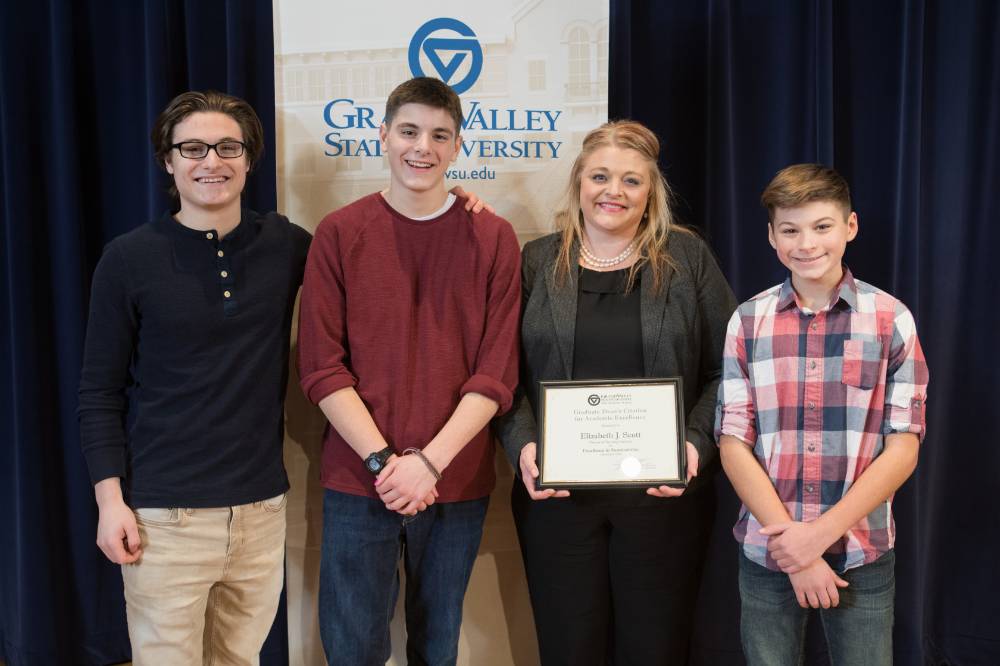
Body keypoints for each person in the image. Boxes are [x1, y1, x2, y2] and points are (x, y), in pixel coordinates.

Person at [77, 89, 490, 665]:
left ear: (249, 159)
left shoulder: (287, 245)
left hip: (260, 510)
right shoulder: (128, 259)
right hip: (163, 516)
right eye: (193, 149)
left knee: (240, 659)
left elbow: (395, 233)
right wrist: (109, 501)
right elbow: (99, 392)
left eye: (228, 147)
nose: (212, 161)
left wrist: (449, 201)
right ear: (168, 161)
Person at [296, 76, 520, 666]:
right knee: (352, 648)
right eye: (409, 131)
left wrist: (428, 464)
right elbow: (321, 367)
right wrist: (384, 463)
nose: (423, 147)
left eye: (440, 135)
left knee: (437, 646)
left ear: (458, 145)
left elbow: (496, 372)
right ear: (382, 135)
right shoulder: (339, 232)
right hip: (358, 478)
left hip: (454, 479)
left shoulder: (494, 237)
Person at [494, 120, 737, 665]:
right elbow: (502, 374)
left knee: (655, 650)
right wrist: (523, 444)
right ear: (579, 182)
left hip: (663, 500)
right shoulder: (537, 261)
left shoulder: (686, 259)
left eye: (631, 180)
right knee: (568, 650)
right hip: (556, 502)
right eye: (600, 176)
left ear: (651, 192)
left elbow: (730, 370)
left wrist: (696, 443)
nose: (614, 191)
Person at [715, 163, 929, 665]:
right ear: (772, 237)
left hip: (861, 549)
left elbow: (904, 446)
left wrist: (819, 534)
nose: (806, 243)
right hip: (769, 549)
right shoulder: (747, 321)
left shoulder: (891, 318)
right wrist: (795, 548)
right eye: (790, 230)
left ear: (850, 227)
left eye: (822, 226)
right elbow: (733, 442)